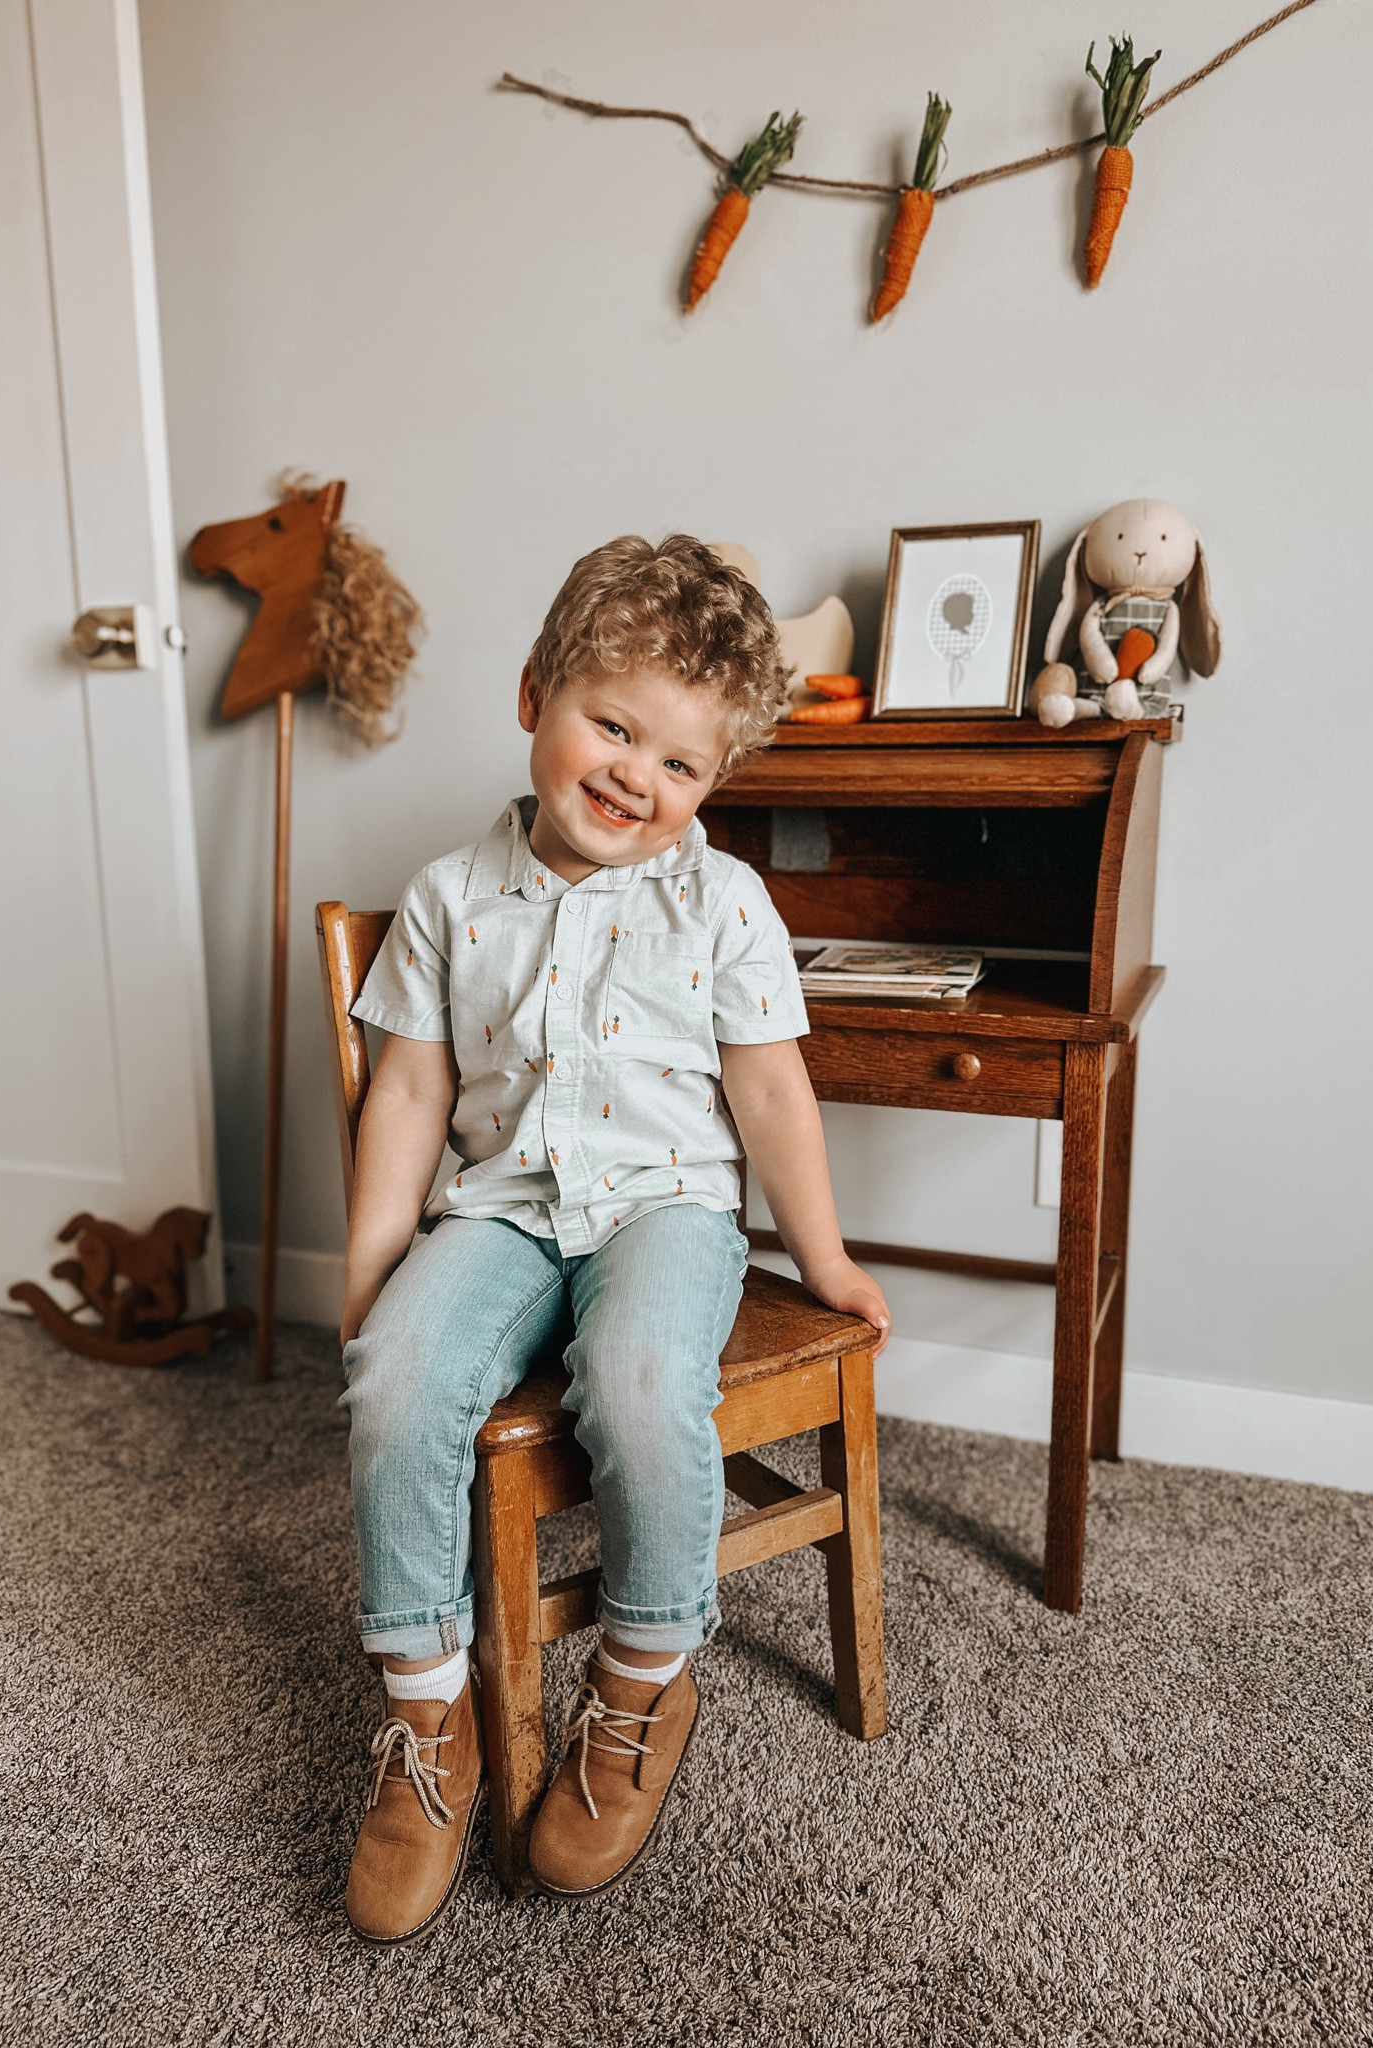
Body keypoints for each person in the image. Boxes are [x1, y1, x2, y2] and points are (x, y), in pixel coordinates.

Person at [338, 533, 890, 1942]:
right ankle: (426, 1725)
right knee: (396, 1380)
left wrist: (823, 1261)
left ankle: (643, 1682)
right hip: (503, 1208)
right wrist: (370, 1264)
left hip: (665, 1213)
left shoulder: (724, 904)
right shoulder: (452, 899)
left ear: (712, 785)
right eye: (613, 724)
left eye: (682, 763)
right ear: (536, 694)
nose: (638, 774)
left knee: (644, 1388)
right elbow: (409, 1088)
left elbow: (771, 1090)